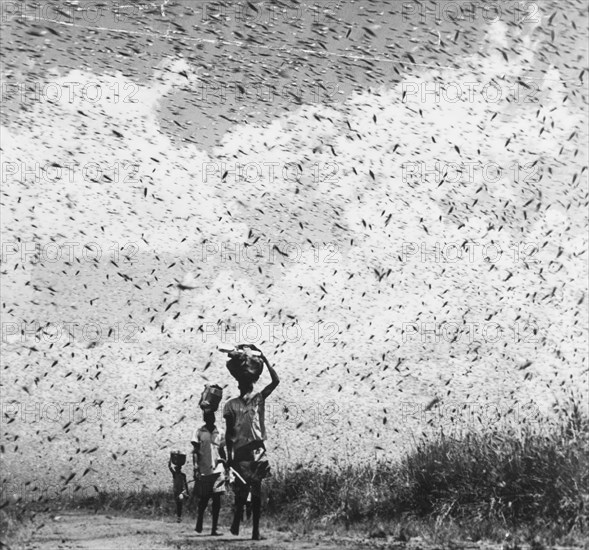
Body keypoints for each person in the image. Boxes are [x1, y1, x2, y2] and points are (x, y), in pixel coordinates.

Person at [224, 345, 279, 540]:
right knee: (242, 492)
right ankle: (237, 520)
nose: (248, 385)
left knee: (256, 491)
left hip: (257, 450)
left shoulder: (259, 399)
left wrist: (264, 355)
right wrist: (229, 458)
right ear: (239, 383)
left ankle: (255, 531)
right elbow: (229, 433)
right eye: (244, 382)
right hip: (241, 452)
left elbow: (276, 381)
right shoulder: (230, 405)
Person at [192, 410, 226, 536]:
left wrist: (226, 464)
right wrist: (195, 467)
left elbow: (222, 450)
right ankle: (199, 522)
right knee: (204, 499)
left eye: (211, 416)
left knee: (217, 499)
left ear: (214, 417)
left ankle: (214, 528)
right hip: (204, 470)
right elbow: (195, 451)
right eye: (207, 416)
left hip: (218, 470)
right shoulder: (199, 432)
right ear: (204, 418)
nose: (209, 418)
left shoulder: (220, 432)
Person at [168, 454, 189, 522]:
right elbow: (169, 467)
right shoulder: (174, 474)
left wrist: (187, 492)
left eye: (178, 469)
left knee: (180, 501)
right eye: (176, 469)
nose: (177, 470)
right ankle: (179, 517)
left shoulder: (183, 475)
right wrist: (170, 459)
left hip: (181, 491)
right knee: (178, 504)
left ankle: (179, 517)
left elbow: (185, 483)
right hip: (176, 491)